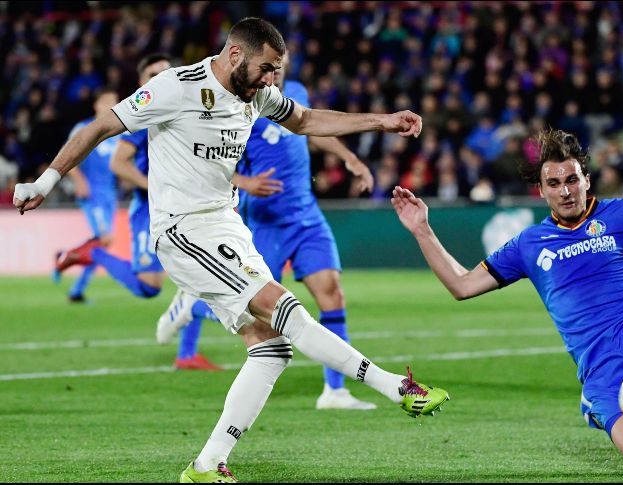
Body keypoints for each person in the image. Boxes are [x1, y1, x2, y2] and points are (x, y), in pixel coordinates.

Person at [13, 17, 449, 483]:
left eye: (277, 71)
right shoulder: (176, 87)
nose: (272, 80)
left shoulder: (257, 93)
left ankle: (206, 465)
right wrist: (47, 180)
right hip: (182, 230)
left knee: (271, 348)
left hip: (226, 224)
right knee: (285, 308)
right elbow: (100, 127)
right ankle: (395, 387)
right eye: (267, 68)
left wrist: (381, 121)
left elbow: (304, 119)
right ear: (236, 55)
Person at [391, 128, 623, 473]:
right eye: (553, 183)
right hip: (599, 365)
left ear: (586, 180)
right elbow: (462, 285)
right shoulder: (527, 244)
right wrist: (422, 231)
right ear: (541, 191)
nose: (565, 190)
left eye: (572, 179)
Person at [55, 53, 223, 370]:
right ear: (142, 82)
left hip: (187, 208)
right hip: (150, 209)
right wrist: (154, 185)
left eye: (166, 72)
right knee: (149, 287)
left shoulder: (188, 112)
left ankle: (187, 354)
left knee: (199, 278)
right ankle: (94, 256)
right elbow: (119, 164)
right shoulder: (142, 116)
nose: (161, 77)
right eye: (153, 73)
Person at [234, 49, 376, 410]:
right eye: (267, 67)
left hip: (306, 216)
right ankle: (189, 307)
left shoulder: (295, 91)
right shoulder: (240, 106)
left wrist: (351, 159)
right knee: (259, 316)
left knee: (331, 293)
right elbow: (212, 160)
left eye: (277, 66)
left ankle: (334, 391)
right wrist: (245, 183)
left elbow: (311, 127)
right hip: (266, 220)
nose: (274, 73)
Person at [54, 87, 120, 302]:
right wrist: (79, 180)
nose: (113, 105)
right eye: (108, 100)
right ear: (97, 105)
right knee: (103, 240)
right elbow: (66, 155)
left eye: (115, 101)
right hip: (92, 193)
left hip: (110, 194)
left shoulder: (118, 132)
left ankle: (68, 261)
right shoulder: (83, 128)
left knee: (102, 243)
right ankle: (74, 281)